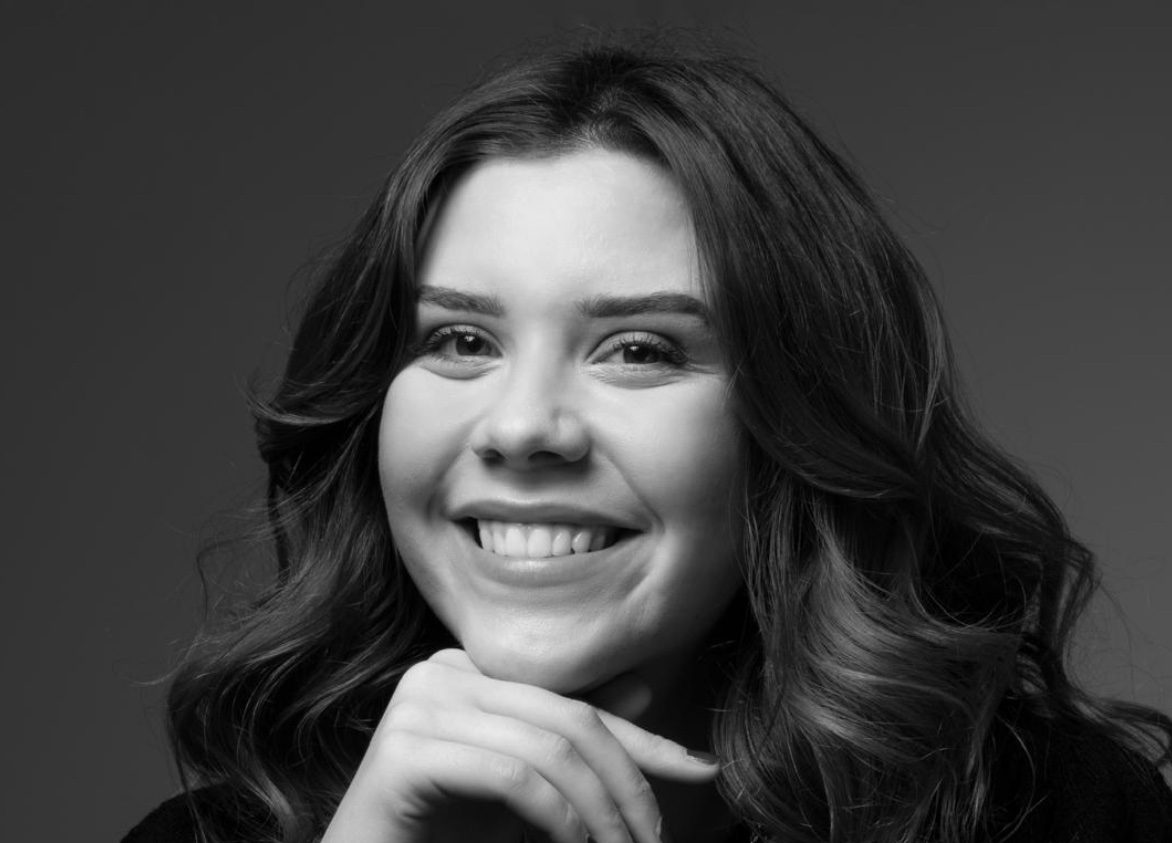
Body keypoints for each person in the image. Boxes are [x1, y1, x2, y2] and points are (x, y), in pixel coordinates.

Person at [123, 31, 1172, 843]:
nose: (523, 427)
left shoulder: (1052, 814)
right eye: (460, 340)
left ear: (793, 421)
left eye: (637, 350)